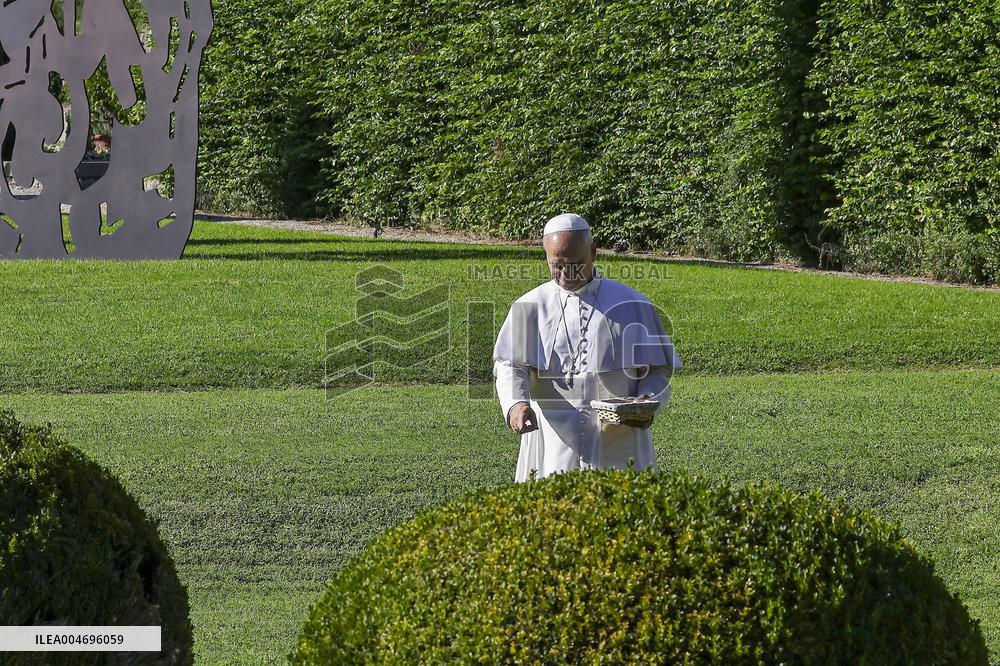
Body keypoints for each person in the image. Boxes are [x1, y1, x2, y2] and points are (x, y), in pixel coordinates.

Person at [493, 213, 682, 483]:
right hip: (553, 437)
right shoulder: (528, 307)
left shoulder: (633, 304)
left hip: (620, 435)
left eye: (575, 264)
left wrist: (646, 401)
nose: (566, 274)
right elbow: (510, 364)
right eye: (557, 266)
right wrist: (516, 405)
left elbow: (656, 371)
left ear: (593, 252)